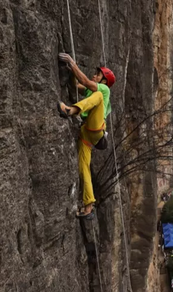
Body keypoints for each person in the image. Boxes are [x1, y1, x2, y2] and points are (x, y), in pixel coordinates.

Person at [57, 53, 115, 219]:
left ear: (104, 81)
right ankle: (88, 207)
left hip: (96, 127)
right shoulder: (92, 89)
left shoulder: (103, 90)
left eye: (98, 75)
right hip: (87, 134)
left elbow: (84, 82)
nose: (94, 75)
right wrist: (69, 71)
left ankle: (70, 110)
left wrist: (71, 62)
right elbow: (77, 84)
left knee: (96, 97)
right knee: (84, 168)